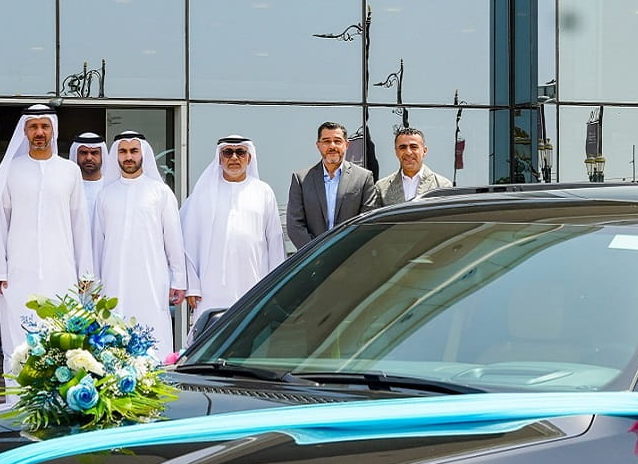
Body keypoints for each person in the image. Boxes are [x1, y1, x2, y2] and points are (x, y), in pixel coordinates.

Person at [0, 104, 92, 353]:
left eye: (45, 126)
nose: (39, 132)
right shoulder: (10, 170)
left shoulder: (70, 171)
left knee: (61, 338)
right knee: (19, 338)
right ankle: (17, 393)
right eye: (33, 126)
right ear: (25, 131)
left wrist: (85, 271)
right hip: (18, 271)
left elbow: (80, 223)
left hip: (62, 270)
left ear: (53, 131)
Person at [94, 131, 188, 349]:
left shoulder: (160, 192)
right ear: (116, 155)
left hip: (152, 278)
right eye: (123, 151)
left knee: (153, 329)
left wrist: (179, 280)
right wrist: (95, 283)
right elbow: (97, 243)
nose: (129, 156)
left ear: (143, 153)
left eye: (134, 151)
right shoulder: (105, 195)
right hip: (113, 278)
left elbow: (173, 239)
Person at [183, 136, 284, 323]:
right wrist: (192, 286)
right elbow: (187, 243)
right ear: (220, 158)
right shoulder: (202, 195)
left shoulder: (263, 192)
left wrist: (275, 286)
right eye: (228, 152)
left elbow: (275, 241)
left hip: (254, 281)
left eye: (240, 152)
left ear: (249, 158)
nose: (234, 157)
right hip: (210, 287)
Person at [285, 120, 377, 250]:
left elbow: (367, 223)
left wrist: (341, 255)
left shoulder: (363, 178)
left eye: (337, 141)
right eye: (326, 141)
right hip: (313, 260)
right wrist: (316, 254)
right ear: (318, 145)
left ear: (346, 144)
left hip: (350, 258)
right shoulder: (301, 179)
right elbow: (295, 225)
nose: (332, 146)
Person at [373, 126, 455, 207]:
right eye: (403, 147)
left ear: (424, 151)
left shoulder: (442, 186)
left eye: (413, 147)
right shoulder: (382, 188)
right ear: (396, 152)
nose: (408, 152)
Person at [70, 132, 107, 226]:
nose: (89, 158)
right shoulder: (67, 188)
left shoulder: (110, 187)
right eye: (83, 153)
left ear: (102, 156)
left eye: (94, 153)